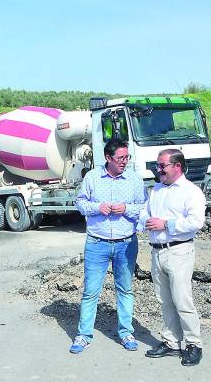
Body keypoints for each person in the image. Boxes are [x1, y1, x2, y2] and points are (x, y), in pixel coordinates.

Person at [70, 139, 147, 354]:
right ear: (107, 158)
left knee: (125, 289)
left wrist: (126, 208)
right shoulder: (92, 178)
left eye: (126, 157)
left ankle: (126, 332)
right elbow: (80, 203)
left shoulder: (134, 179)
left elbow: (143, 207)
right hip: (97, 244)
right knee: (91, 291)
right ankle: (84, 335)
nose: (125, 162)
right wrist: (98, 207)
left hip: (126, 244)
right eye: (120, 158)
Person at [139, 149, 206, 366]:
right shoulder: (157, 190)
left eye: (162, 166)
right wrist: (146, 222)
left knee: (182, 300)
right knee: (165, 300)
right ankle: (172, 342)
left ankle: (194, 344)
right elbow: (144, 213)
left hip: (179, 251)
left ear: (177, 166)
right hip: (157, 251)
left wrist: (166, 224)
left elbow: (196, 222)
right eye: (158, 166)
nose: (158, 170)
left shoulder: (191, 192)